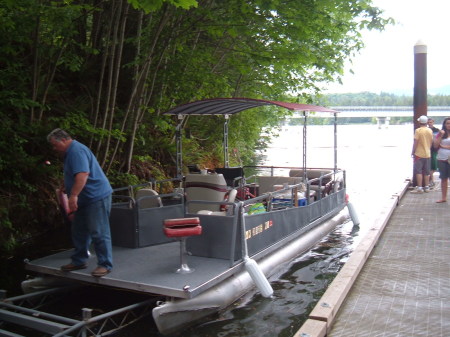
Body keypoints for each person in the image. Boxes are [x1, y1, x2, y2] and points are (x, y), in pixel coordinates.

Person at [47, 128, 113, 277]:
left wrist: (73, 196)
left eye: (54, 144)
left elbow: (83, 174)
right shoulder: (70, 152)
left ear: (63, 140)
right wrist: (67, 185)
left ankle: (105, 264)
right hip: (85, 198)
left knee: (99, 231)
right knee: (79, 229)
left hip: (96, 196)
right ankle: (79, 260)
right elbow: (74, 173)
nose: (54, 148)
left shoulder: (76, 151)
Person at [411, 115, 433, 193]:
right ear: (426, 122)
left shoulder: (418, 131)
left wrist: (413, 151)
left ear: (420, 122)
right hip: (427, 153)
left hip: (419, 154)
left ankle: (420, 188)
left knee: (418, 171)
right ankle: (427, 187)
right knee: (427, 172)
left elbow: (415, 142)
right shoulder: (430, 130)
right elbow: (431, 142)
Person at [433, 117, 450, 203]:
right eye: (447, 123)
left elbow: (441, 146)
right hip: (442, 158)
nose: (449, 125)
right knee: (443, 178)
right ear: (444, 124)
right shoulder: (441, 133)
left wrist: (443, 146)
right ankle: (443, 197)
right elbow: (435, 145)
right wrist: (440, 135)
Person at [427, 118, 440, 188]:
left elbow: (439, 139)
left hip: (435, 149)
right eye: (428, 122)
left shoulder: (437, 130)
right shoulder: (426, 130)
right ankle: (431, 180)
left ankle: (431, 179)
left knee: (435, 166)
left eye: (431, 122)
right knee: (431, 165)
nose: (429, 123)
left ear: (433, 122)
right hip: (428, 150)